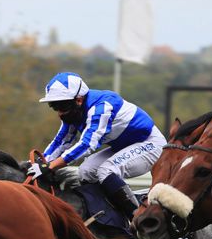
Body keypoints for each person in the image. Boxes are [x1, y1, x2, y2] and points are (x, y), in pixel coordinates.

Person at [37, 72, 166, 219]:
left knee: (106, 170)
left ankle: (139, 219)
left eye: (62, 105)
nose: (59, 112)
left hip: (150, 144)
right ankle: (104, 215)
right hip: (125, 146)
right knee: (85, 171)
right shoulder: (72, 111)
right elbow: (62, 141)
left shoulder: (101, 107)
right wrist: (40, 162)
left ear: (78, 100)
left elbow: (87, 145)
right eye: (54, 106)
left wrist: (51, 166)